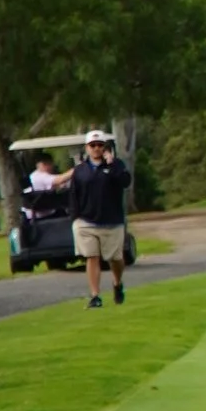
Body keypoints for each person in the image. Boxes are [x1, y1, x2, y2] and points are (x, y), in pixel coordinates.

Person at [67, 129, 131, 311]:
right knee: (92, 257)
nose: (96, 148)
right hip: (86, 222)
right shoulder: (80, 171)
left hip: (112, 221)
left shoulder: (116, 165)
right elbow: (74, 195)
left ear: (105, 147)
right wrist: (75, 218)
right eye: (92, 145)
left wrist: (111, 166)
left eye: (99, 145)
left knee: (115, 259)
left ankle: (117, 283)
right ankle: (95, 296)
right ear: (87, 148)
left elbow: (125, 182)